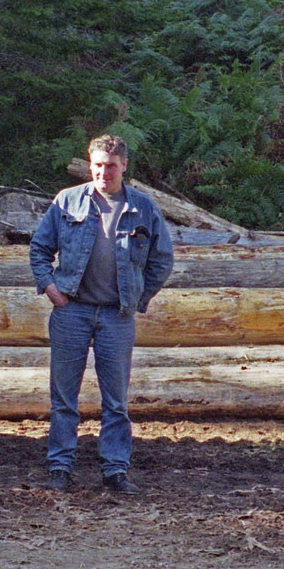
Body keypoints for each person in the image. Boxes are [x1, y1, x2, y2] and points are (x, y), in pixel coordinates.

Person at [28, 135, 175, 494]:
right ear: (89, 165)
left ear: (124, 165)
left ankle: (115, 471)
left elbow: (162, 259)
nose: (103, 173)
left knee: (116, 400)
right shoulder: (67, 200)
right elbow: (40, 248)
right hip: (71, 312)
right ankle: (60, 468)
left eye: (110, 166)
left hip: (116, 317)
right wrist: (50, 288)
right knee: (64, 397)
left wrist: (138, 298)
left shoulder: (143, 207)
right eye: (97, 165)